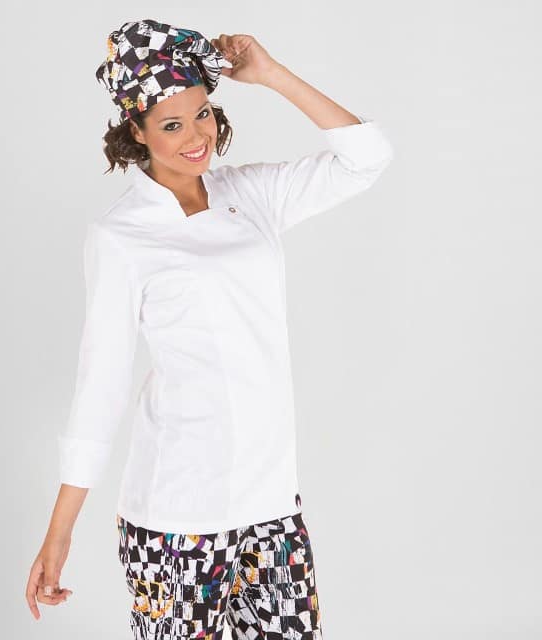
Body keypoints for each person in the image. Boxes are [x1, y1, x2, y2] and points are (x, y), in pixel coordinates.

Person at [25, 18, 394, 639]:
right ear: (136, 131)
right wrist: (59, 533)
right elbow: (102, 385)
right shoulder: (121, 236)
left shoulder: (251, 195)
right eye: (171, 124)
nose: (197, 136)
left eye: (202, 114)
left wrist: (271, 75)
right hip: (177, 516)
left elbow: (368, 157)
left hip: (271, 508)